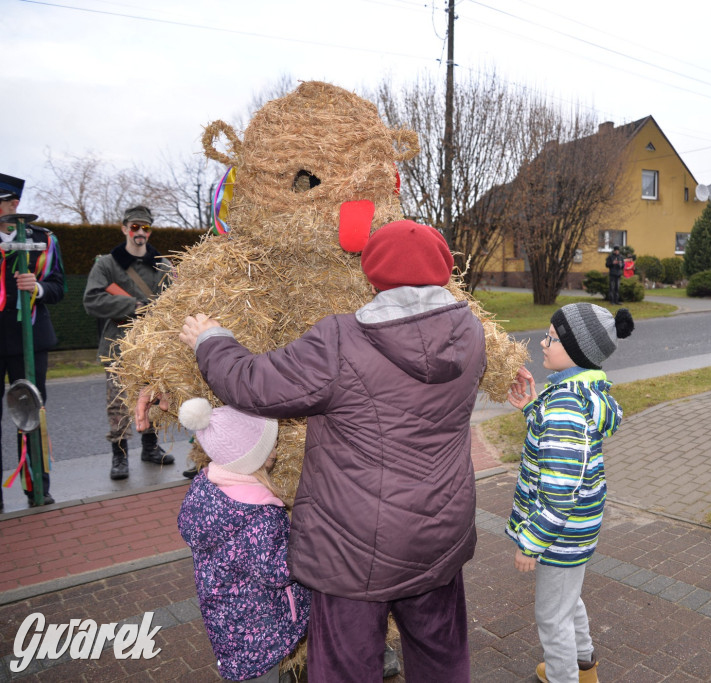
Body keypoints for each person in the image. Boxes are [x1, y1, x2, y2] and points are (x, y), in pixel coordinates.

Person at [177, 220, 486, 683]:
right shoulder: (471, 333)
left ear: (371, 272)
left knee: (345, 666)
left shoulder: (341, 341)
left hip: (353, 547)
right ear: (445, 268)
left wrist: (210, 340)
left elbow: (253, 384)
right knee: (441, 655)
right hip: (440, 531)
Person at [506, 302, 634, 683]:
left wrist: (531, 540)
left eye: (553, 338)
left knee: (552, 615)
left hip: (559, 534)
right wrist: (533, 410)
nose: (543, 343)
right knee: (567, 599)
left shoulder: (564, 402)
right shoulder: (580, 394)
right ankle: (584, 666)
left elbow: (561, 490)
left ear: (579, 351)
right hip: (577, 531)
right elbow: (561, 443)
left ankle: (564, 677)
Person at [177, 397, 310, 683]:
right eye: (271, 444)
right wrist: (308, 543)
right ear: (256, 456)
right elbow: (277, 572)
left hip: (228, 620)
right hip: (260, 626)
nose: (276, 448)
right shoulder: (259, 514)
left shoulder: (205, 490)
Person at [83, 205, 175, 480]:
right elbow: (91, 300)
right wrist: (130, 305)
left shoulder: (162, 264)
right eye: (134, 227)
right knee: (118, 402)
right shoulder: (107, 264)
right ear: (124, 228)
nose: (139, 232)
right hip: (118, 344)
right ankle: (119, 456)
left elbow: (176, 301)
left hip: (152, 345)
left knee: (155, 398)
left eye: (145, 228)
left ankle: (150, 447)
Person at [0, 173, 65, 509]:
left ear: (13, 205)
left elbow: (58, 287)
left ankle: (37, 486)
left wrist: (36, 288)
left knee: (30, 413)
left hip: (30, 342)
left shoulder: (43, 240)